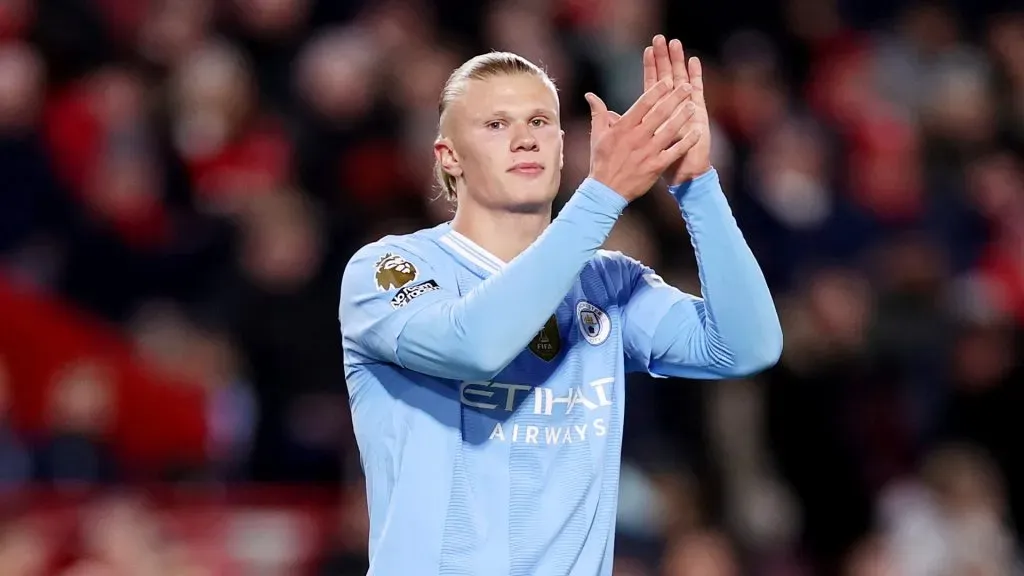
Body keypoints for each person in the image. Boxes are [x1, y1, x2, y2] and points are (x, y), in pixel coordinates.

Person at [339, 35, 782, 576]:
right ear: (449, 157)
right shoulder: (387, 270)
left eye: (540, 122)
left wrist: (696, 187)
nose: (524, 140)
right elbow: (475, 346)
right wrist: (601, 195)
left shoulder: (606, 283)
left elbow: (746, 347)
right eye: (496, 125)